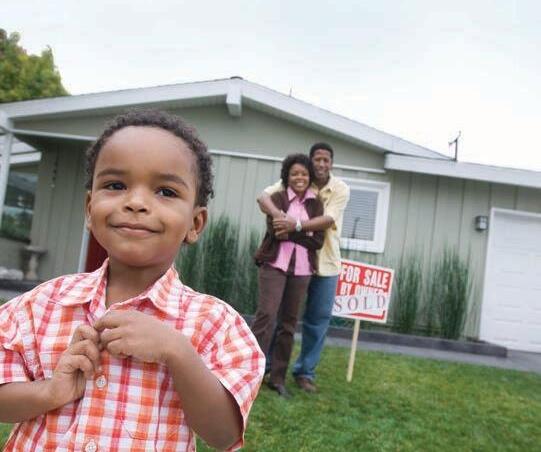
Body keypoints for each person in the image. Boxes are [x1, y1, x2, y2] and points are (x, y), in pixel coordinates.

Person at [0, 110, 265, 451]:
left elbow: (223, 434)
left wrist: (177, 352)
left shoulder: (217, 325)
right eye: (116, 185)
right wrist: (50, 391)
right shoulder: (39, 307)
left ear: (195, 224)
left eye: (165, 191)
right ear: (89, 208)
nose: (136, 203)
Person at [257, 142, 349, 393]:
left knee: (315, 319)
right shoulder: (294, 181)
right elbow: (264, 198)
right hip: (285, 263)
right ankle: (261, 367)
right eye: (317, 159)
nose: (321, 164)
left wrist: (294, 225)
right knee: (272, 315)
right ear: (309, 161)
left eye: (326, 160)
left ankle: (304, 372)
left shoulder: (337, 190)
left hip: (324, 262)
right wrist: (279, 216)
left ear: (331, 163)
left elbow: (327, 222)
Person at [251, 154, 324, 398]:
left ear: (309, 177)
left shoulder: (316, 204)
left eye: (304, 174)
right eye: (294, 174)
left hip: (302, 270)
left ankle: (278, 378)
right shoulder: (278, 198)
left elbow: (318, 241)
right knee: (266, 316)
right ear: (287, 176)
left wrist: (291, 227)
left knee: (289, 325)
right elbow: (276, 232)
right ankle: (250, 372)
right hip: (274, 265)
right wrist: (303, 231)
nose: (299, 178)